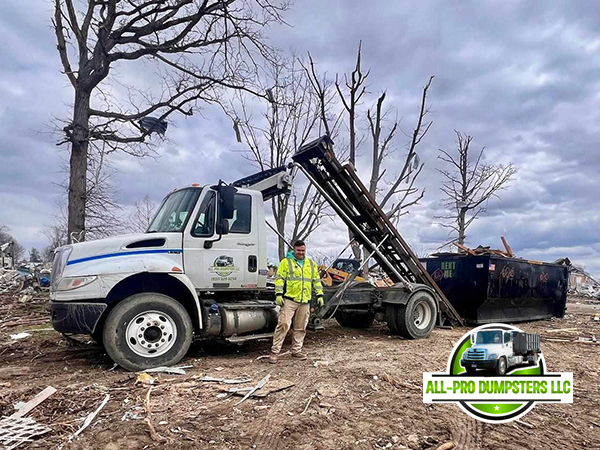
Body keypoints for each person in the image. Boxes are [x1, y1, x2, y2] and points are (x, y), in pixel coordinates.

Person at [269, 240, 324, 363]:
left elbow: (316, 280)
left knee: (301, 327)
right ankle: (274, 352)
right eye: (299, 250)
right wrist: (278, 294)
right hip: (290, 300)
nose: (301, 253)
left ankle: (296, 351)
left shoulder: (311, 264)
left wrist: (320, 294)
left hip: (305, 301)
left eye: (303, 250)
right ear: (294, 250)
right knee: (283, 325)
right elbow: (279, 279)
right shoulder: (286, 263)